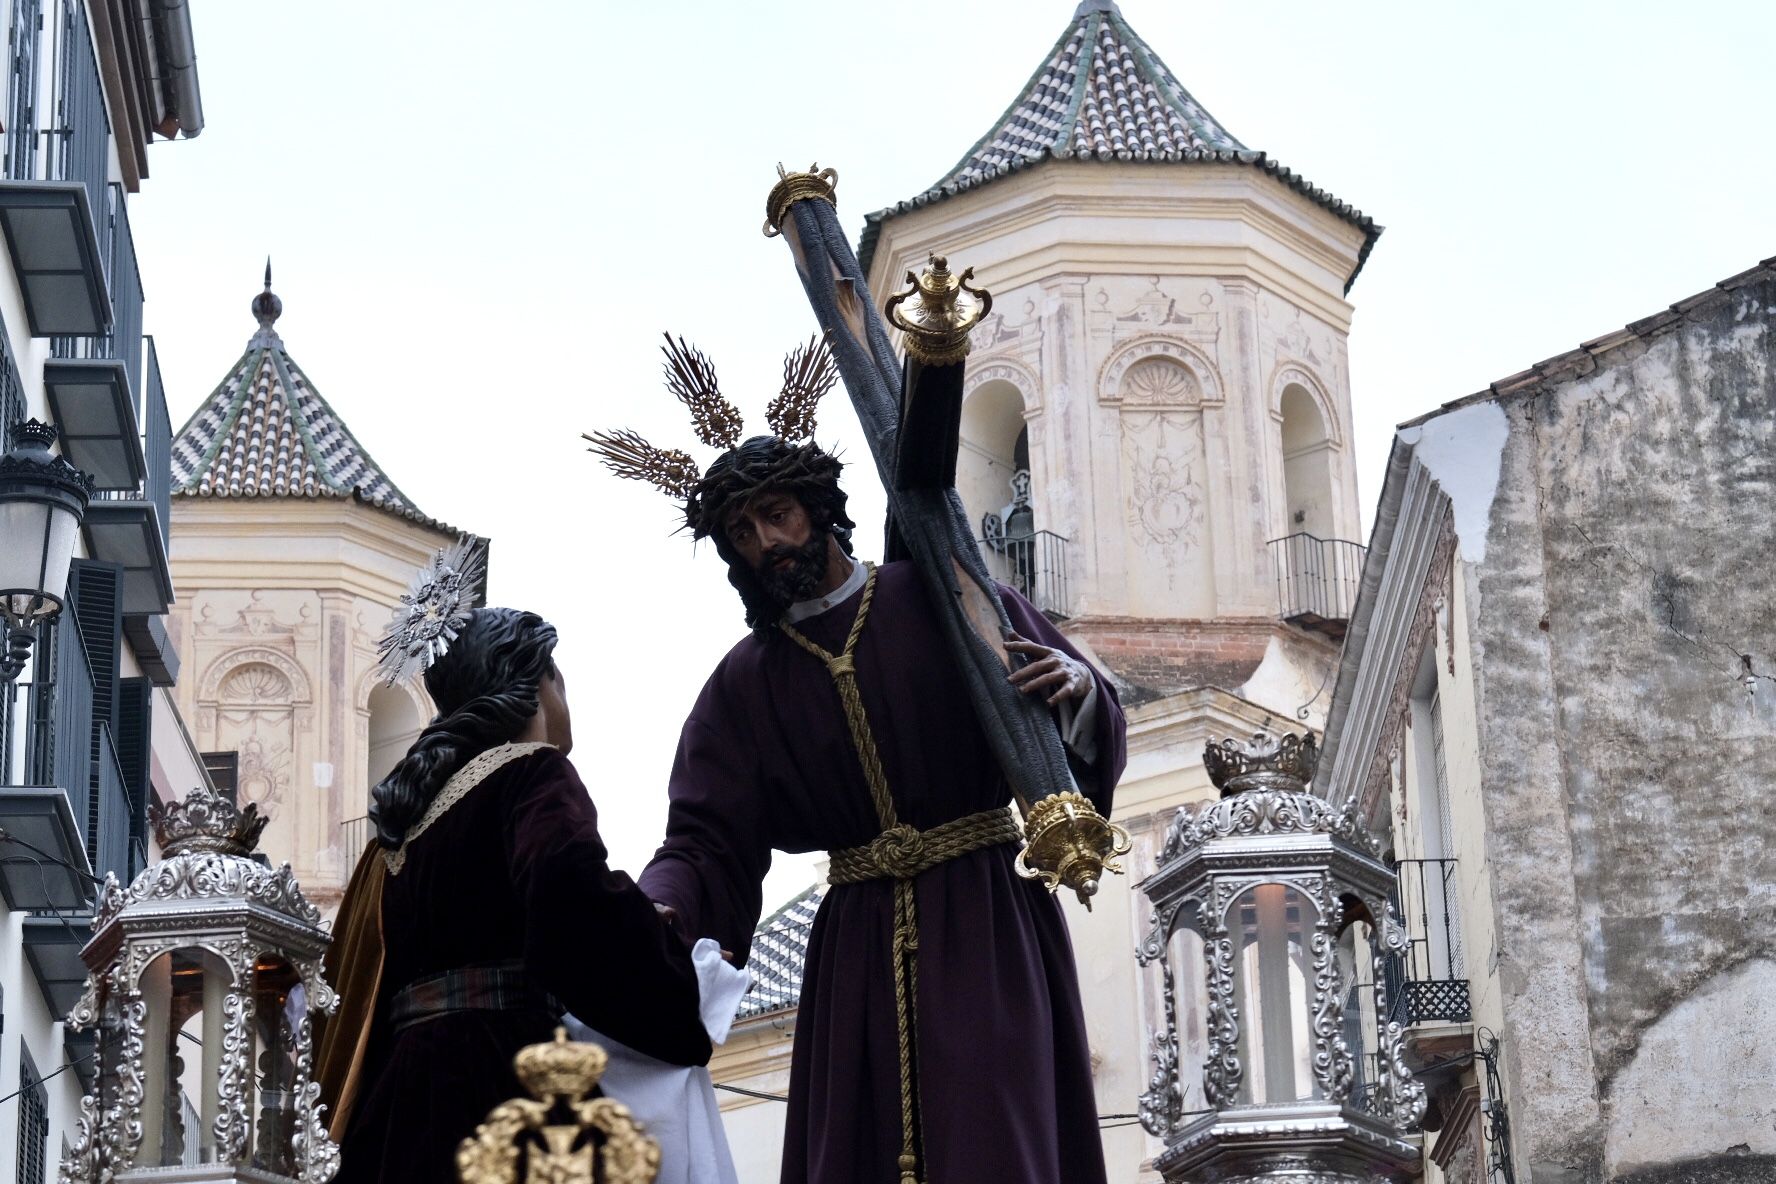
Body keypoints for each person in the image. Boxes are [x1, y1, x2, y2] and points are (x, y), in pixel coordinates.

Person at [631, 434, 1127, 1184]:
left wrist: (1078, 692)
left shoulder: (944, 598)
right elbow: (704, 839)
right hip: (855, 948)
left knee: (994, 1130)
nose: (765, 543)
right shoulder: (743, 683)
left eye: (777, 515)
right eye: (742, 532)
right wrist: (660, 909)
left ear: (819, 509)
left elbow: (1077, 706)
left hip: (985, 921)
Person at [316, 596, 712, 1183]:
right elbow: (567, 895)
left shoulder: (400, 834)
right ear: (536, 682)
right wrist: (665, 951)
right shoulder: (531, 771)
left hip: (400, 1101)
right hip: (498, 1080)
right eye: (561, 678)